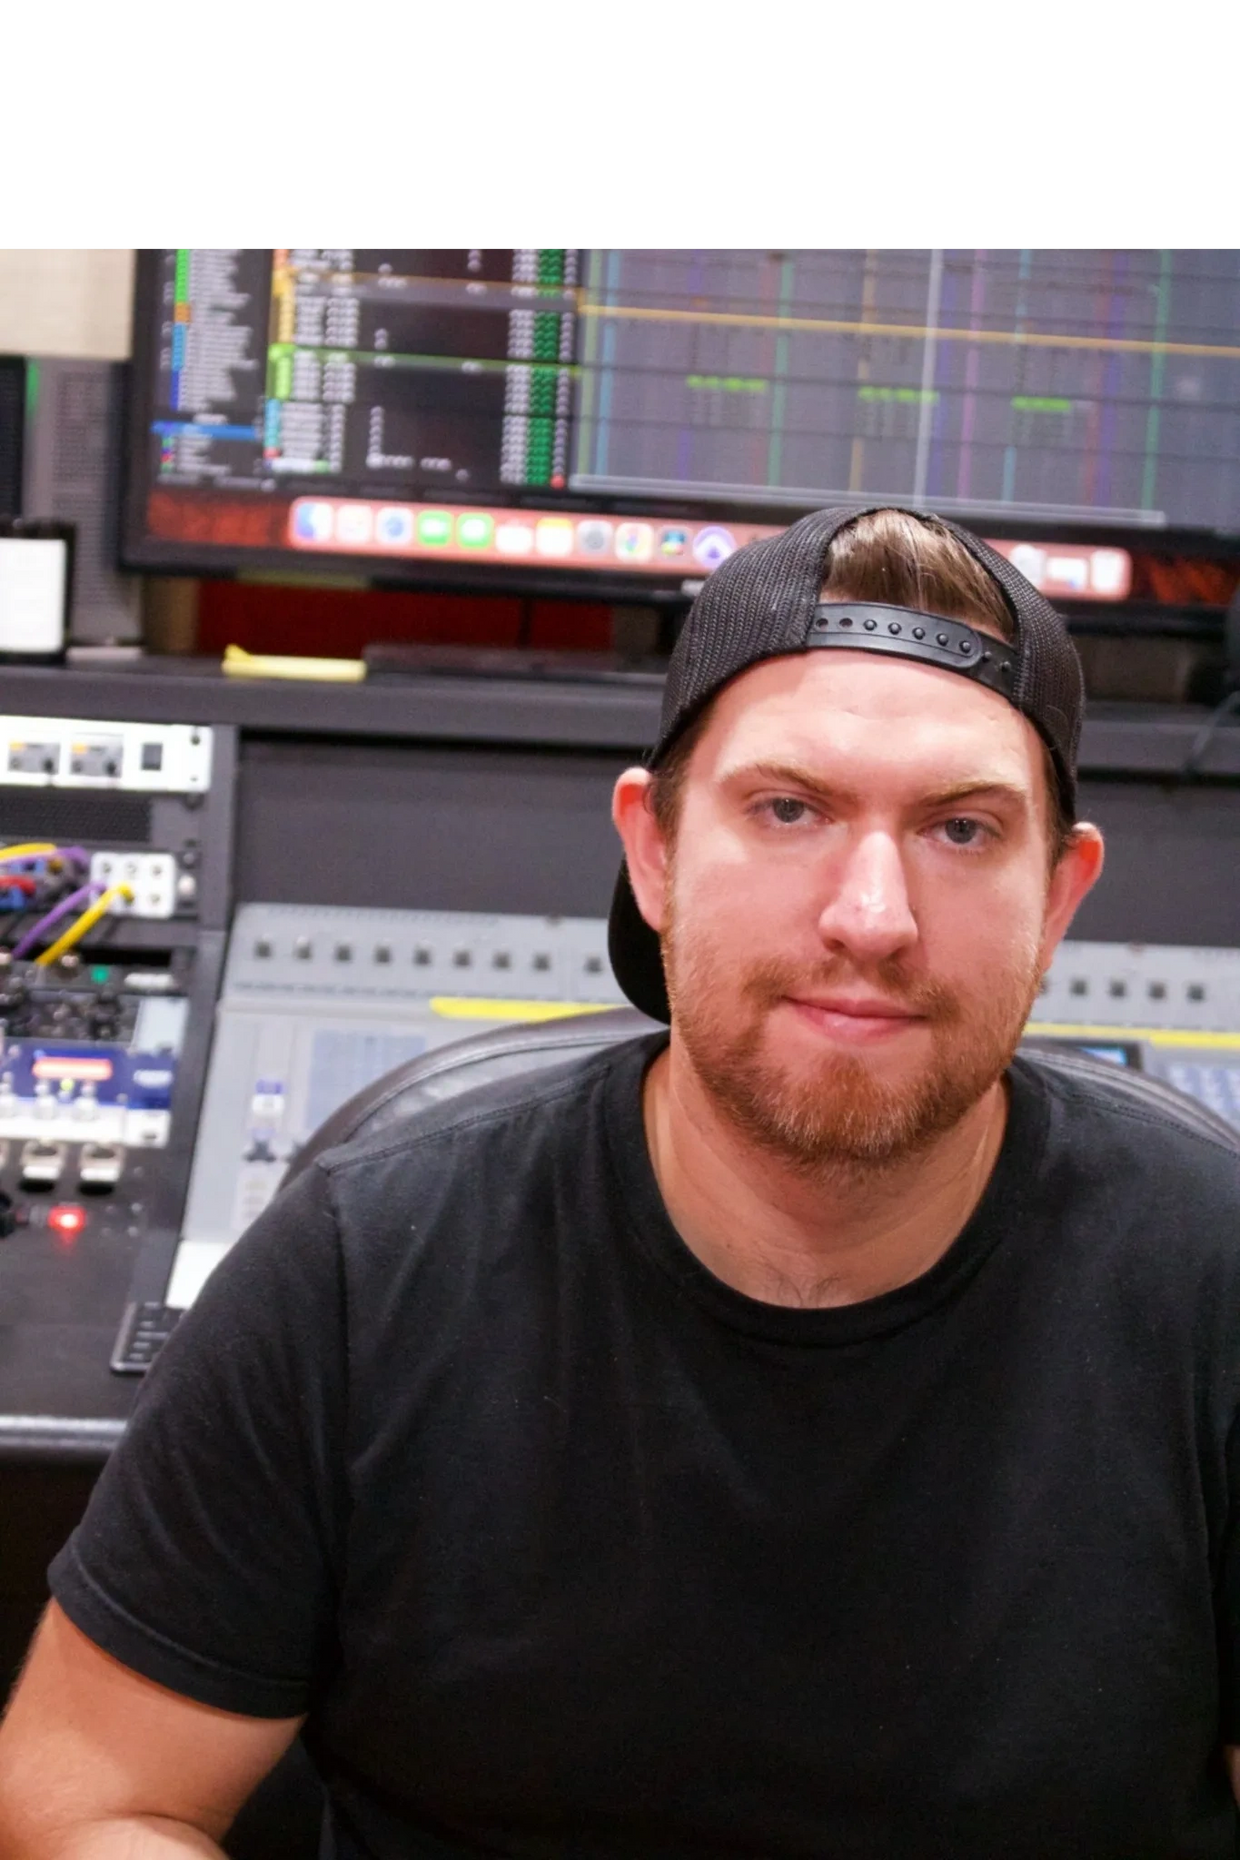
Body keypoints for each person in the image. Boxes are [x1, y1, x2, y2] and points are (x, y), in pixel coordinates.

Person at [1, 505, 1239, 1860]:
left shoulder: (1211, 1278)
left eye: (961, 830)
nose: (872, 916)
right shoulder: (366, 1261)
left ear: (1060, 896)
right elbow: (90, 1801)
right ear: (653, 851)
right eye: (788, 809)